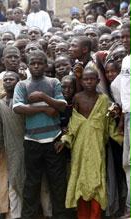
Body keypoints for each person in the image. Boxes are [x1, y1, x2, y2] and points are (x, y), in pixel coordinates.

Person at [58, 66, 122, 219]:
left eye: (92, 79)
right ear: (81, 80)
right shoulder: (77, 98)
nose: (88, 82)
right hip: (79, 150)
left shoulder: (104, 100)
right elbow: (73, 124)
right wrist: (65, 139)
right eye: (85, 79)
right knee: (80, 181)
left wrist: (122, 140)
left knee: (96, 181)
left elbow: (109, 126)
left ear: (98, 81)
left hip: (97, 148)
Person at [13, 50, 68, 219]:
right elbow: (18, 108)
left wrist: (42, 96)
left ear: (45, 65)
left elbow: (62, 106)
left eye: (39, 63)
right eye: (32, 63)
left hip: (54, 140)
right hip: (32, 141)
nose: (36, 66)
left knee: (58, 183)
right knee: (32, 183)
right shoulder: (22, 85)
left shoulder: (54, 82)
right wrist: (44, 108)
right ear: (28, 66)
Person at [0, 71, 24, 219]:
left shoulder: (24, 102)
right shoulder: (0, 104)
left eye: (11, 79)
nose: (7, 82)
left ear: (18, 82)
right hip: (10, 149)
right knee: (13, 182)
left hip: (27, 147)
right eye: (5, 80)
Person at [120, 21, 131, 217]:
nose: (124, 40)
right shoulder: (126, 60)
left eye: (128, 36)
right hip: (127, 115)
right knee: (127, 163)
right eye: (122, 36)